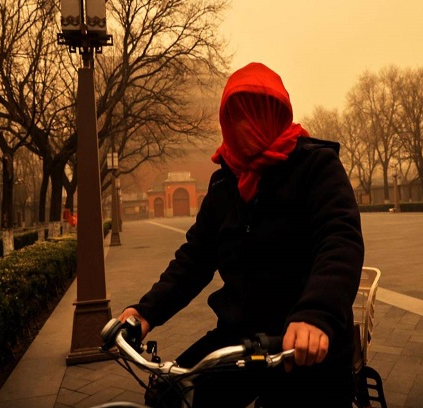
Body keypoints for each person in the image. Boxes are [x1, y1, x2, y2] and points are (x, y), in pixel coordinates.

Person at [118, 62, 364, 407]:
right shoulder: (224, 181)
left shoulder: (316, 166)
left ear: (277, 113)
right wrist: (145, 313)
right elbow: (194, 258)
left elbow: (340, 240)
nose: (244, 125)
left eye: (255, 112)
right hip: (239, 337)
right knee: (170, 394)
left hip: (303, 343)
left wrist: (316, 314)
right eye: (235, 116)